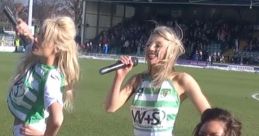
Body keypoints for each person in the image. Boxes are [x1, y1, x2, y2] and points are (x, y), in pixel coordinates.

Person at [105, 26, 211, 136]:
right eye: (148, 44)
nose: (150, 48)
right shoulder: (137, 80)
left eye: (158, 45)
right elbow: (111, 107)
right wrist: (120, 76)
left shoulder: (181, 80)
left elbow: (210, 117)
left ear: (171, 50)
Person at [7, 16, 80, 136]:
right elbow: (30, 40)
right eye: (38, 34)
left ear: (57, 48)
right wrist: (25, 31)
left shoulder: (50, 78)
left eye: (43, 37)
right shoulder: (40, 59)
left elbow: (57, 119)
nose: (36, 39)